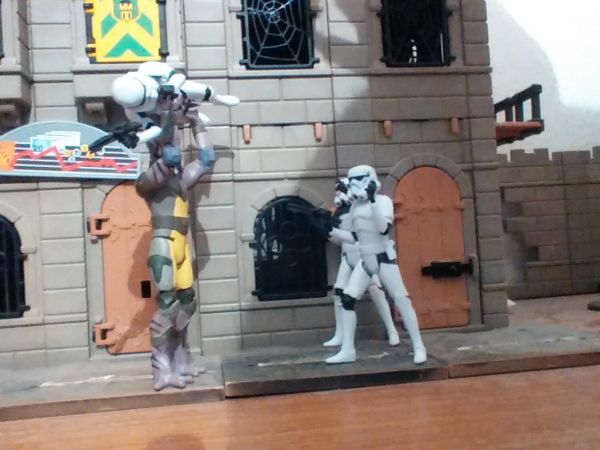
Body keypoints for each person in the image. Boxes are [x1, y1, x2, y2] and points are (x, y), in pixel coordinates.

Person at [111, 61, 239, 390]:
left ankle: (182, 360)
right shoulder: (147, 180)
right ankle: (161, 368)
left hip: (181, 244)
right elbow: (167, 154)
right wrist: (168, 115)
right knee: (167, 304)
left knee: (187, 302)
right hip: (164, 245)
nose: (173, 151)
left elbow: (206, 159)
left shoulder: (181, 180)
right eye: (165, 147)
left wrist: (195, 123)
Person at [327, 165, 427, 365]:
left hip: (383, 258)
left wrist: (372, 200)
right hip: (365, 260)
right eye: (352, 181)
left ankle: (418, 346)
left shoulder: (383, 201)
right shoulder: (355, 207)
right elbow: (354, 236)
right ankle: (348, 350)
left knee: (401, 299)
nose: (355, 185)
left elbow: (383, 229)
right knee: (347, 299)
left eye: (359, 180)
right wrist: (329, 230)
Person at [324, 177, 400, 350]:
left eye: (341, 190)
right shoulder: (339, 212)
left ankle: (391, 329)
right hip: (347, 255)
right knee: (339, 291)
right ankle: (340, 334)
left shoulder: (359, 208)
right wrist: (328, 229)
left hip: (362, 254)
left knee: (375, 290)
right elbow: (340, 239)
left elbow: (363, 233)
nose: (339, 195)